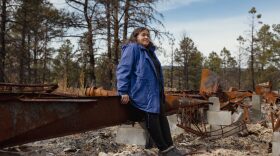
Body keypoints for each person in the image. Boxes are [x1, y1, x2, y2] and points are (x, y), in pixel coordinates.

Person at [116, 27, 186, 156]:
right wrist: (123, 90)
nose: (146, 37)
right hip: (142, 92)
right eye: (143, 35)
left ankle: (170, 147)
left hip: (155, 92)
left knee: (162, 119)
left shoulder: (149, 51)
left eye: (148, 35)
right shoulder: (133, 48)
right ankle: (163, 149)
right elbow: (123, 69)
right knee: (152, 118)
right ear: (136, 37)